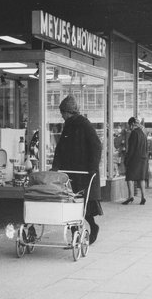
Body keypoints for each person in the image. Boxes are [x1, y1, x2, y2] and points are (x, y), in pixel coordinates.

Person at [52, 95, 103, 244]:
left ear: (68, 112)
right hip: (71, 171)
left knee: (83, 205)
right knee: (71, 205)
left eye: (62, 112)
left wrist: (93, 167)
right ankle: (75, 236)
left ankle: (93, 226)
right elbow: (61, 148)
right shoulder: (68, 124)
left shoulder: (83, 124)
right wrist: (55, 167)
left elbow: (96, 145)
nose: (62, 116)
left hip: (84, 173)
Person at [121, 117, 148, 205]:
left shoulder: (134, 133)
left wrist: (127, 159)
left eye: (129, 125)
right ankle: (143, 197)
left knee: (130, 177)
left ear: (132, 124)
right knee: (141, 178)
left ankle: (131, 196)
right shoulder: (143, 133)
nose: (129, 127)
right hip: (143, 158)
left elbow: (131, 148)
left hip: (134, 158)